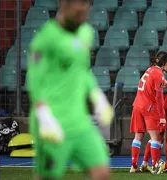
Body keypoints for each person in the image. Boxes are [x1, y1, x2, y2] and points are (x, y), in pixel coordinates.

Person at [27, 0, 113, 179]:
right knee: (48, 176)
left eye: (86, 5)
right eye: (79, 5)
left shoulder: (85, 33)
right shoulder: (46, 37)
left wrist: (97, 96)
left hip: (79, 121)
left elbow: (82, 71)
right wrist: (43, 114)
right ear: (64, 5)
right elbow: (35, 79)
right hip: (52, 121)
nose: (84, 10)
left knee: (101, 171)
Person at [129, 53, 167, 173]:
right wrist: (162, 117)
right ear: (165, 63)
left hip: (137, 105)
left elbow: (163, 84)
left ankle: (133, 166)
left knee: (138, 137)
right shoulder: (158, 74)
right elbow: (159, 97)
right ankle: (155, 166)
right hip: (148, 107)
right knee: (156, 137)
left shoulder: (150, 70)